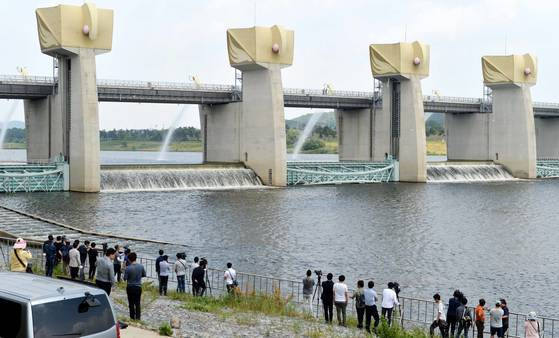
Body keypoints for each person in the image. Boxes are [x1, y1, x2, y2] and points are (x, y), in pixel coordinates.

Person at [123, 252, 146, 320]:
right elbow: (144, 275)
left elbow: (125, 278)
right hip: (138, 286)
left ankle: (132, 317)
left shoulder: (128, 268)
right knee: (138, 303)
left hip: (130, 286)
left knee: (131, 303)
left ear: (129, 259)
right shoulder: (141, 266)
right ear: (136, 258)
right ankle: (138, 317)